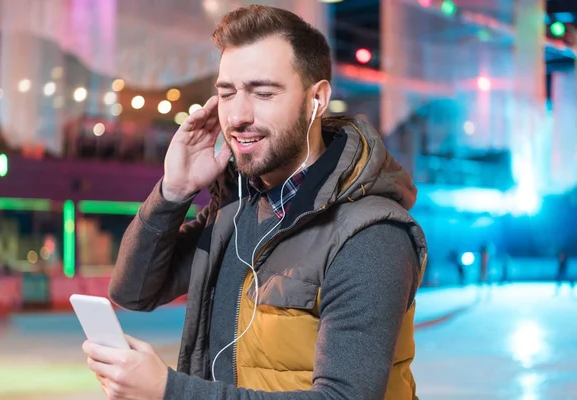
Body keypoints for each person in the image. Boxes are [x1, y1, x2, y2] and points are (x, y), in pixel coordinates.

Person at [82, 5, 427, 400]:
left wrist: (169, 391)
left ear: (316, 99)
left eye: (263, 93)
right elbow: (134, 292)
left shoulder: (371, 235)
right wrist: (173, 192)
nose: (238, 116)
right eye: (227, 93)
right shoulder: (237, 208)